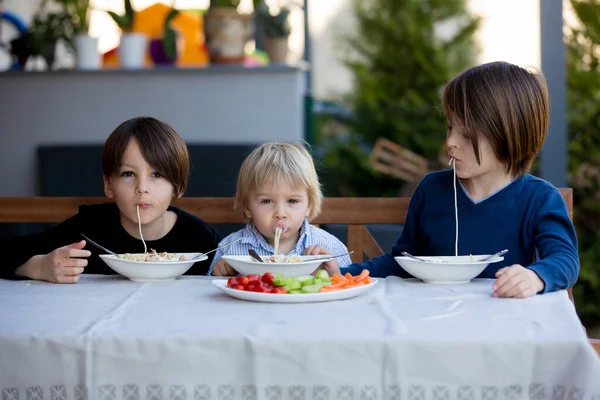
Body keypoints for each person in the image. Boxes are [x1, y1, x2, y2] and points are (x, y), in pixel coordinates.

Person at [337, 61, 579, 298]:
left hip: (502, 325)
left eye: (465, 133)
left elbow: (565, 259)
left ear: (509, 133)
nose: (450, 142)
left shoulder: (538, 199)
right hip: (434, 323)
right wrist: (341, 275)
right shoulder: (431, 191)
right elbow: (402, 262)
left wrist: (534, 277)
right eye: (450, 128)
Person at [1, 116, 222, 283]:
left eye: (157, 175)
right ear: (109, 185)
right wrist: (38, 267)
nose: (142, 188)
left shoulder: (202, 239)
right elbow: (7, 252)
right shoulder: (89, 228)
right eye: (128, 174)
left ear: (179, 186)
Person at [209, 142, 351, 276]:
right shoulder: (230, 250)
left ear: (309, 205)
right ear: (247, 207)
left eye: (292, 201)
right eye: (267, 201)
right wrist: (219, 275)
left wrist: (335, 276)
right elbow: (208, 292)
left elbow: (350, 290)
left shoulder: (330, 247)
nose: (280, 214)